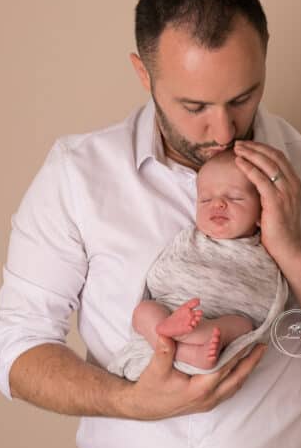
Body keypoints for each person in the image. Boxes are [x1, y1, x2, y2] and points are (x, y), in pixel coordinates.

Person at [0, 0, 301, 448]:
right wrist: (130, 402)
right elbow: (16, 351)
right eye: (194, 107)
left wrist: (293, 251)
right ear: (143, 73)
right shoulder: (78, 174)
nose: (223, 131)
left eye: (243, 97)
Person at [110, 149, 285, 378]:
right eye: (205, 199)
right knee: (144, 311)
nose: (218, 204)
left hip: (213, 330)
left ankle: (187, 339)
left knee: (243, 325)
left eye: (234, 197)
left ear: (262, 210)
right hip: (170, 312)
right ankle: (180, 346)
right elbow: (159, 278)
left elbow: (263, 303)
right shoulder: (188, 240)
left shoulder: (265, 252)